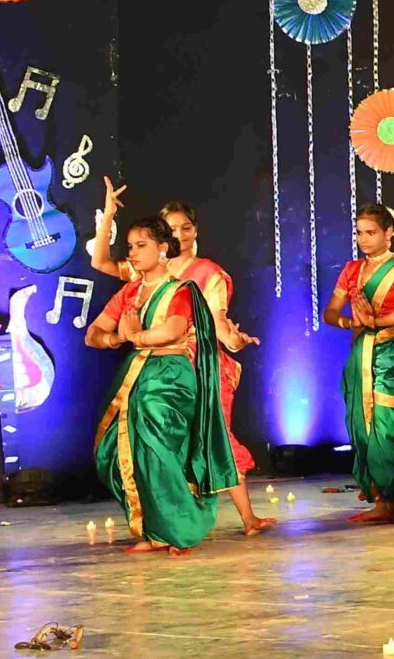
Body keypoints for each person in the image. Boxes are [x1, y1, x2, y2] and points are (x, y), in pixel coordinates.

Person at [88, 182, 272, 537]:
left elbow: (217, 323)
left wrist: (235, 340)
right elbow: (100, 262)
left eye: (186, 227)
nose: (180, 235)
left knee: (214, 436)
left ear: (195, 230)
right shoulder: (144, 271)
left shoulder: (207, 273)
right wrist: (108, 215)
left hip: (199, 365)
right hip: (153, 365)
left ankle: (243, 518)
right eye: (172, 229)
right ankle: (168, 522)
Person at [87, 213, 231, 553]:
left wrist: (135, 335)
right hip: (136, 375)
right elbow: (93, 334)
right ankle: (154, 531)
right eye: (130, 247)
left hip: (171, 377)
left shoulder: (181, 290)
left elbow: (172, 330)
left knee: (160, 452)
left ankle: (180, 530)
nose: (133, 253)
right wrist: (116, 339)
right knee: (124, 454)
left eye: (141, 246)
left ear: (163, 248)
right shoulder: (130, 292)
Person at [325, 203, 394, 524]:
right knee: (363, 423)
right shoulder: (352, 270)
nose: (364, 239)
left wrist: (374, 321)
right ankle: (381, 500)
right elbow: (330, 312)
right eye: (359, 233)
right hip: (362, 351)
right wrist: (350, 321)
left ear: (388, 232)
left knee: (390, 425)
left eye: (371, 233)